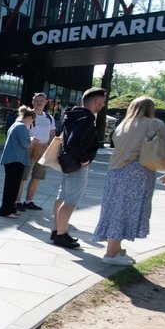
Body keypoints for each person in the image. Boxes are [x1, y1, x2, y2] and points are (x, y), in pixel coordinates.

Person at [92, 97, 165, 265]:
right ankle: (111, 254)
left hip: (116, 172)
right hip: (139, 172)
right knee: (127, 210)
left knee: (115, 209)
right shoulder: (154, 124)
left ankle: (115, 249)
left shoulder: (122, 125)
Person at [51, 87, 107, 249]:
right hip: (76, 163)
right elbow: (74, 141)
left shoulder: (73, 115)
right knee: (71, 200)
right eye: (102, 102)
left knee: (63, 196)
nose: (102, 106)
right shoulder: (86, 118)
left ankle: (57, 230)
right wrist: (84, 159)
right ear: (95, 101)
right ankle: (61, 234)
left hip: (68, 162)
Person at [16, 92, 55, 211]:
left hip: (44, 149)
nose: (39, 103)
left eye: (41, 101)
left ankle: (29, 201)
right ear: (33, 102)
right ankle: (17, 201)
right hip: (29, 148)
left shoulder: (49, 117)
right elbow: (20, 130)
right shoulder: (28, 115)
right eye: (36, 101)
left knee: (37, 176)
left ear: (46, 102)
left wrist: (49, 146)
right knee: (23, 176)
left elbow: (52, 134)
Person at [0, 106, 35, 218]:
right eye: (32, 120)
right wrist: (32, 140)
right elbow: (26, 144)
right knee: (12, 186)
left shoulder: (15, 125)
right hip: (15, 160)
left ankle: (10, 208)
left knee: (12, 186)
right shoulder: (21, 127)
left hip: (12, 159)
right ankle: (6, 210)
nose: (32, 123)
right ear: (28, 117)